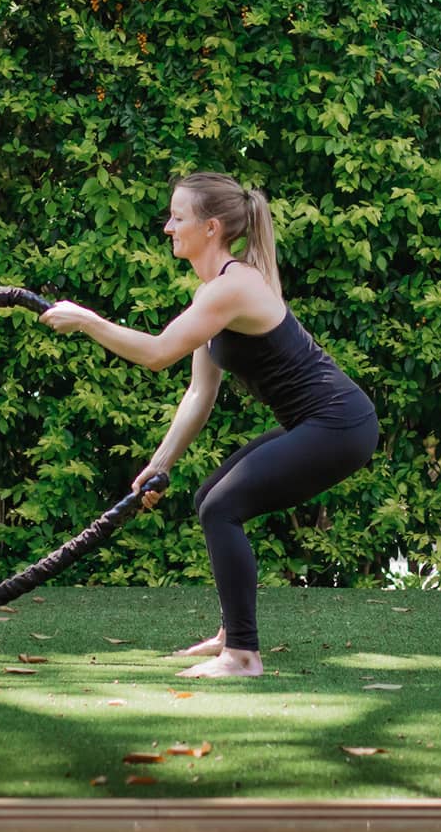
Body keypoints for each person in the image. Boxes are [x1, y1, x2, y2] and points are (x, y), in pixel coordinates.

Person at [39, 171, 380, 678]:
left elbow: (156, 354)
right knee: (209, 498)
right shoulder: (215, 291)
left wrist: (86, 320)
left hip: (339, 425)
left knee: (222, 508)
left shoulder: (231, 288)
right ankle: (231, 633)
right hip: (322, 422)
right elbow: (201, 392)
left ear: (211, 228)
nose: (167, 228)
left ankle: (242, 655)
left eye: (178, 217)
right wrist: (158, 465)